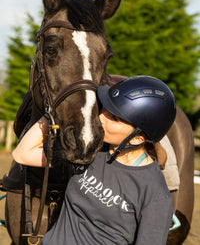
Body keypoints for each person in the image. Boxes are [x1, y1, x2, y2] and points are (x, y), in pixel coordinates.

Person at [12, 75, 176, 245]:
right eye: (104, 108)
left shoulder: (155, 196)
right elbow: (22, 154)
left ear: (137, 139)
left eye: (114, 118)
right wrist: (52, 112)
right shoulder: (91, 151)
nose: (100, 117)